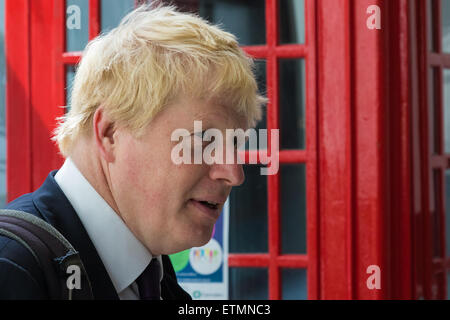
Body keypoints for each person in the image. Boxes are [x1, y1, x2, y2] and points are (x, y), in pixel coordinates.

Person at [0, 4, 265, 299]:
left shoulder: (152, 271)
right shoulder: (11, 268)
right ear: (110, 132)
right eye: (204, 140)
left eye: (236, 143)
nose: (234, 173)